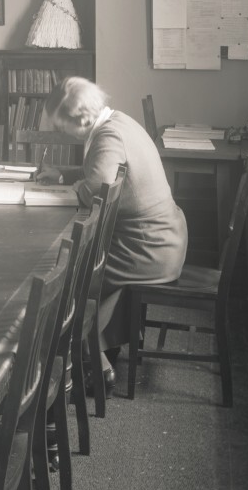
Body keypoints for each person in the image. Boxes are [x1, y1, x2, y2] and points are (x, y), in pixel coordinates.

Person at [36, 76, 188, 396]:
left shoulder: (107, 137)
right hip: (163, 238)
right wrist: (63, 176)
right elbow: (103, 172)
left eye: (63, 127)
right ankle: (99, 349)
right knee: (82, 269)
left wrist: (79, 187)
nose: (64, 134)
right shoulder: (118, 122)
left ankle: (94, 365)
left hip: (147, 249)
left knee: (67, 280)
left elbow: (97, 189)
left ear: (82, 120)